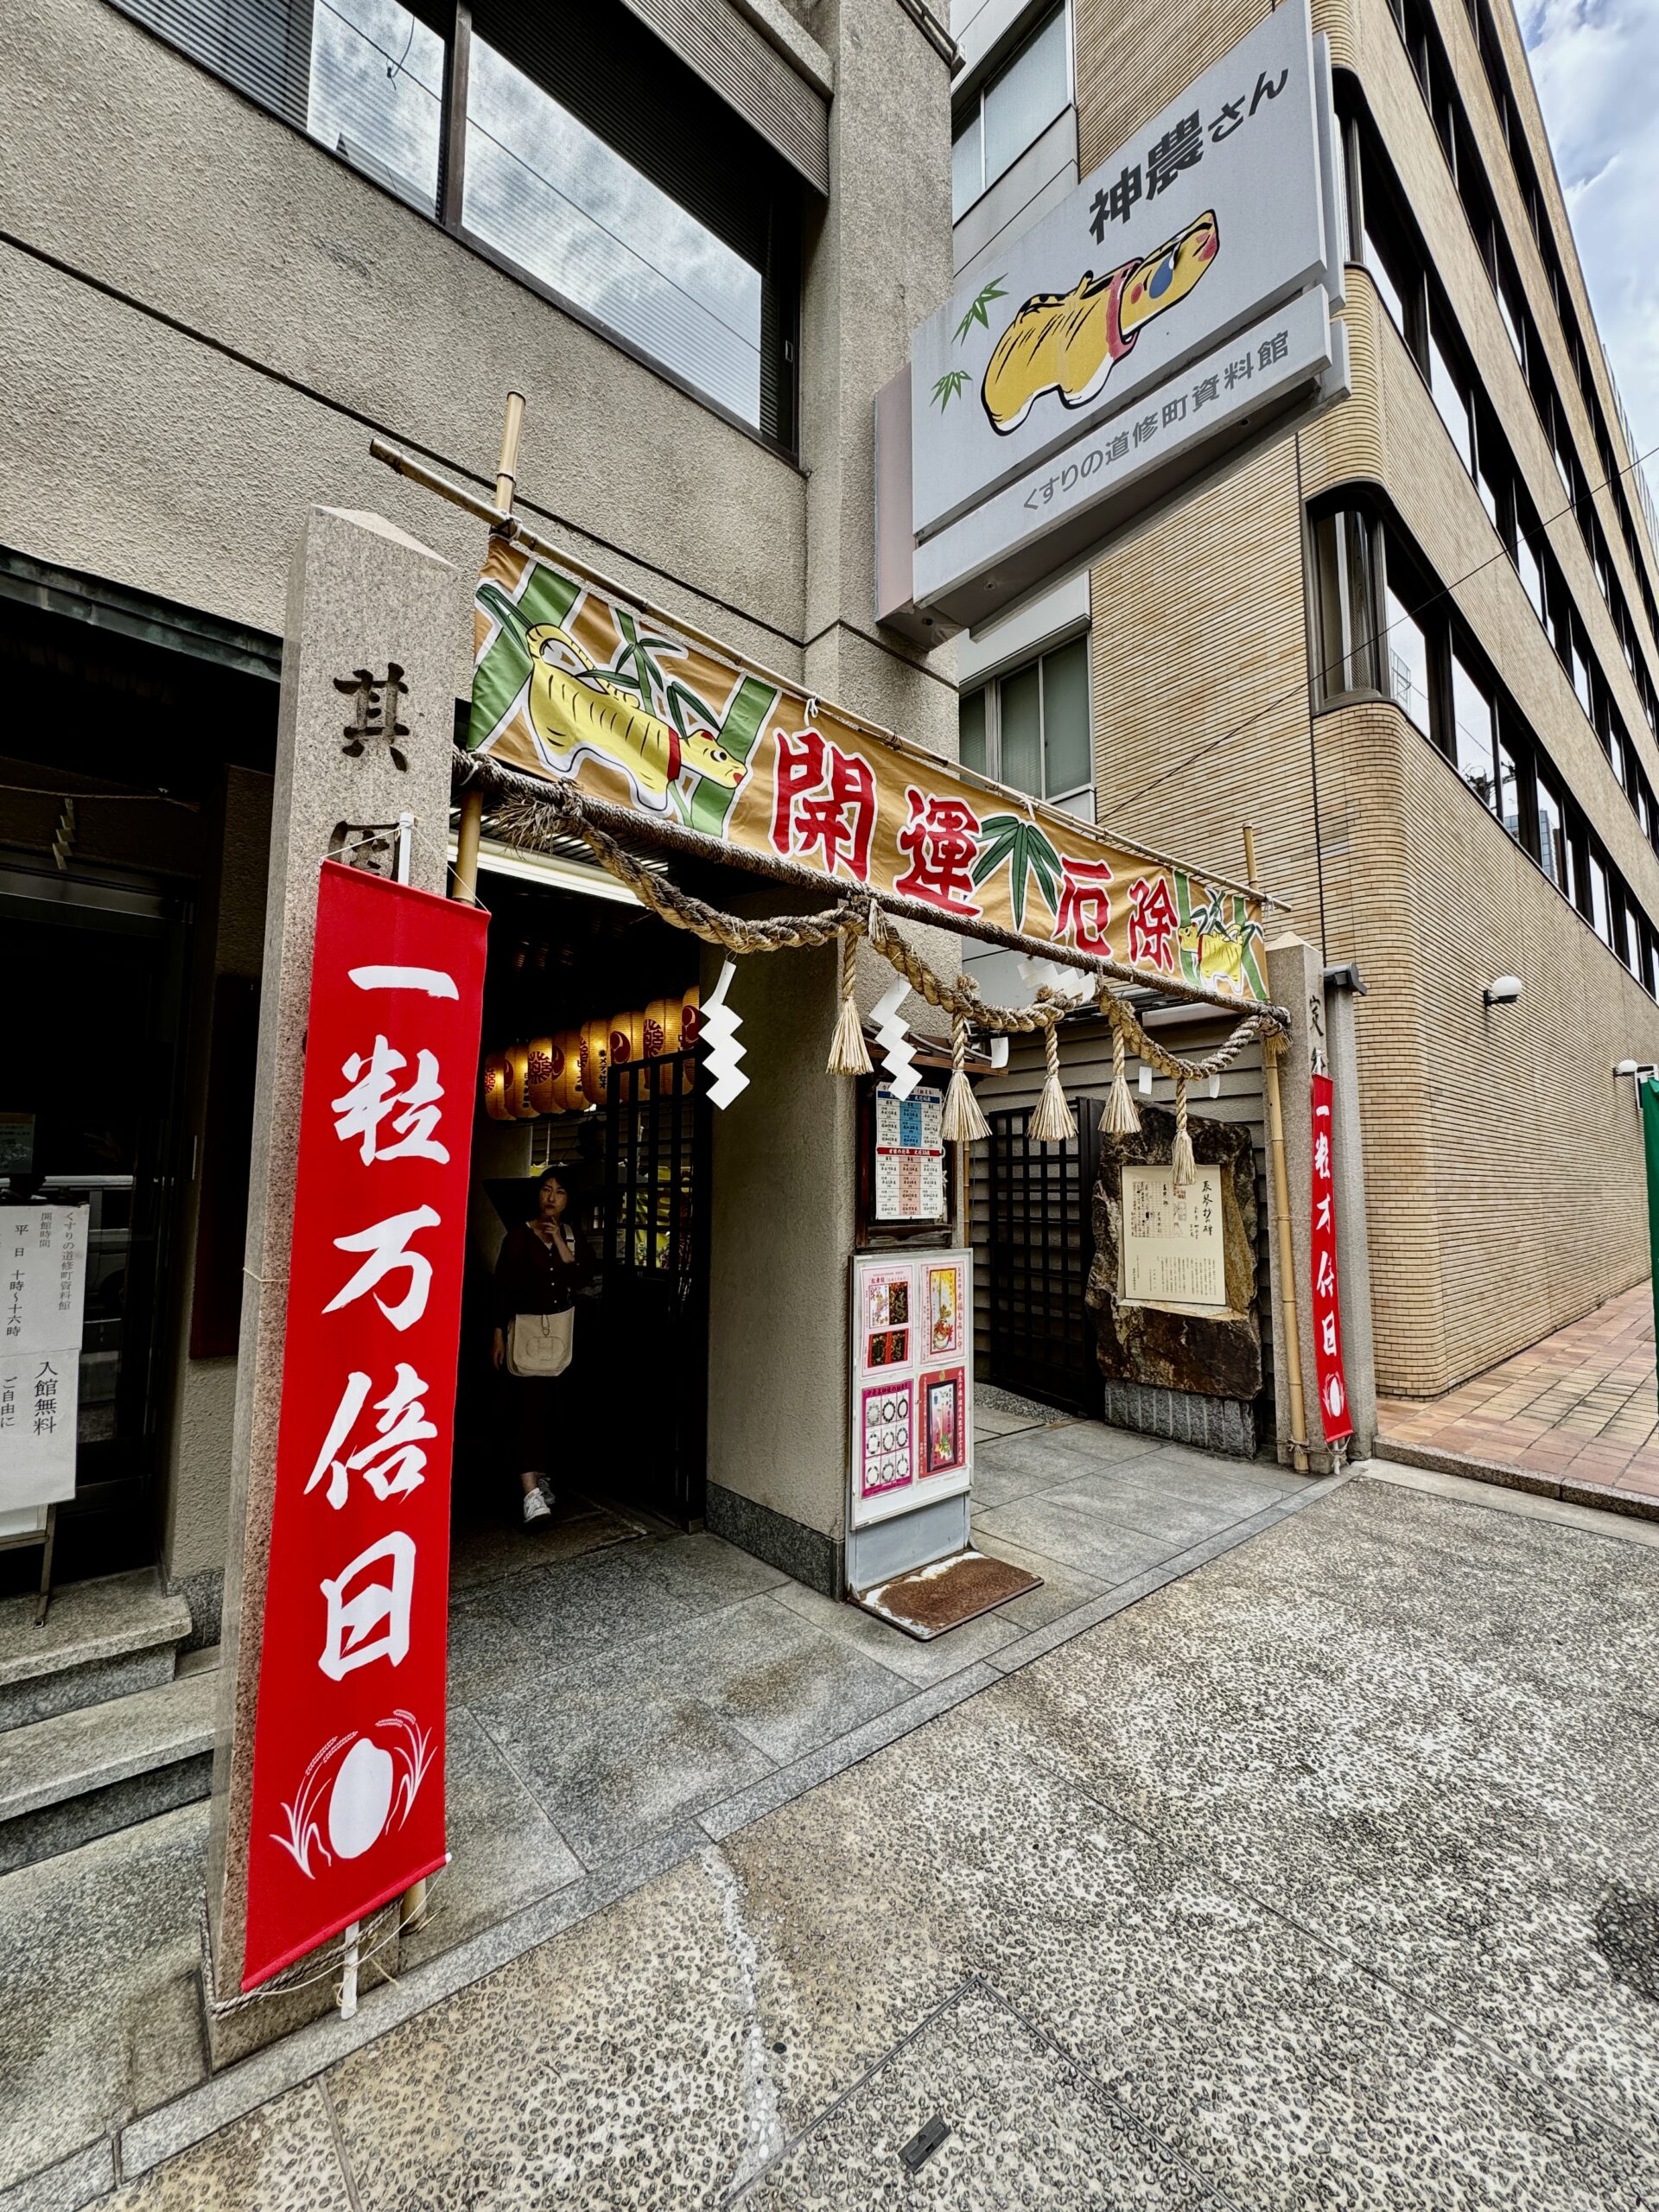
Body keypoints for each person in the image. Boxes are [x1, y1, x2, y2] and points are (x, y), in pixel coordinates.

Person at [492, 1167, 591, 1525]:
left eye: (560, 1192)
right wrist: (498, 1333)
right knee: (526, 1410)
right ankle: (530, 1494)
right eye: (546, 1189)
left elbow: (582, 1278)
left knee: (554, 1412)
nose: (551, 1198)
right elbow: (502, 1286)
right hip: (526, 1331)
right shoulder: (518, 1236)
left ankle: (544, 1478)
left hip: (561, 1335)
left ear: (568, 1200)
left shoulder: (571, 1235)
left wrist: (561, 1242)